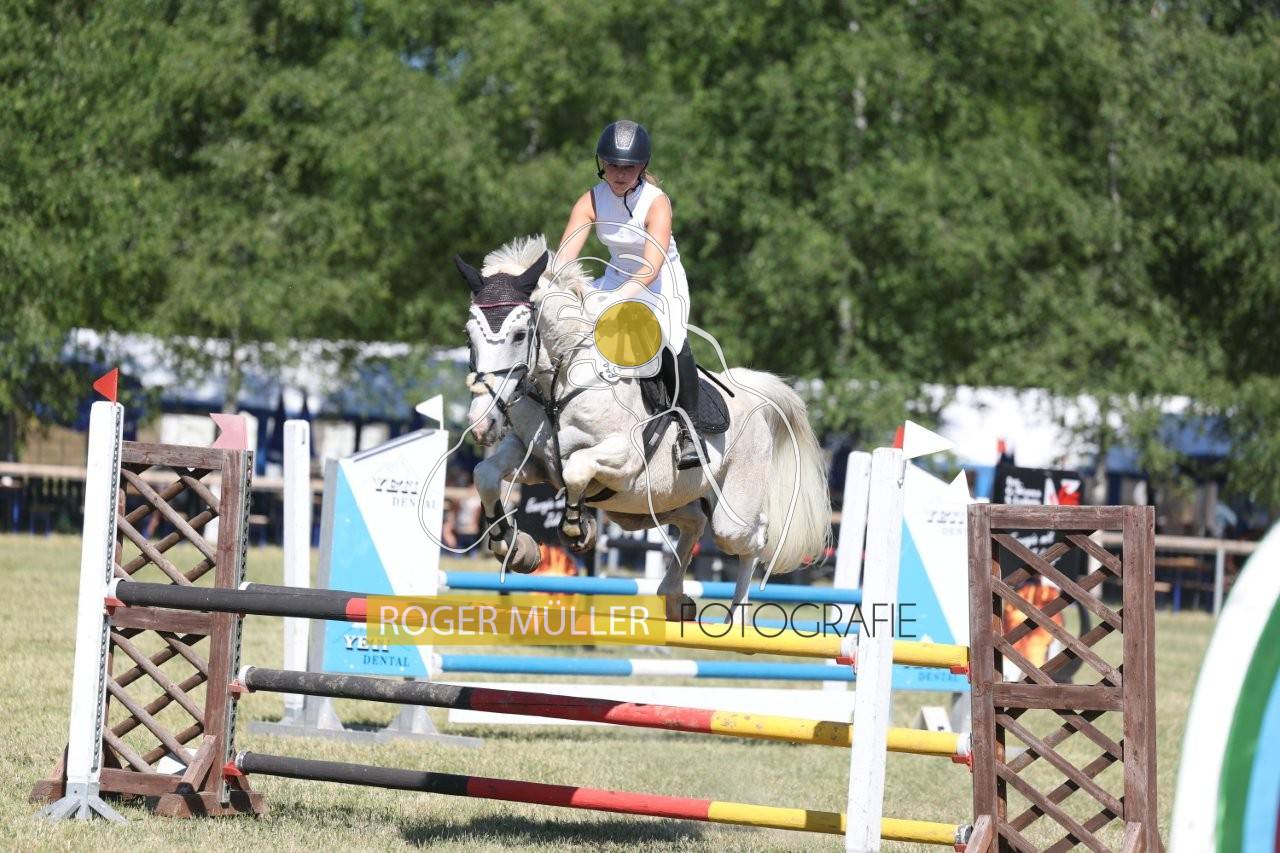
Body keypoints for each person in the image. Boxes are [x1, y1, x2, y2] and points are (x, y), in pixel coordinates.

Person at [554, 119, 701, 469]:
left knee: (671, 339)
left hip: (661, 281)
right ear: (601, 164)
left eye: (629, 167)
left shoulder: (657, 202)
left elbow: (650, 267)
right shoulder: (591, 200)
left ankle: (689, 430)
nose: (619, 174)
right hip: (615, 275)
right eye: (613, 165)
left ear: (643, 166)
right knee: (569, 322)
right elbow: (563, 260)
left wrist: (619, 298)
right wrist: (550, 287)